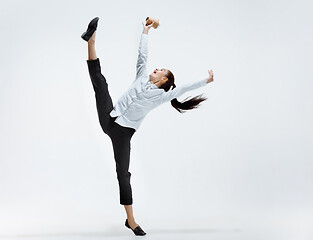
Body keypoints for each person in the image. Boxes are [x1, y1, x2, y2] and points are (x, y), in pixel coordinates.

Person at [81, 17, 214, 236]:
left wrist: (205, 81)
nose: (156, 68)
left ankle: (131, 221)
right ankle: (91, 41)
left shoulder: (162, 96)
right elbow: (142, 55)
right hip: (109, 116)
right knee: (100, 83)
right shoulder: (141, 76)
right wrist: (145, 31)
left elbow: (182, 89)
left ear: (164, 80)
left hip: (122, 133)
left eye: (161, 70)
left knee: (123, 174)